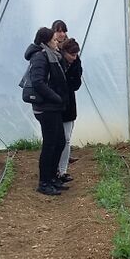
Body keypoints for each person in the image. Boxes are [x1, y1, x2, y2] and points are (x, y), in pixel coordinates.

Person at [24, 27, 70, 196]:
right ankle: (44, 182)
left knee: (59, 142)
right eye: (54, 40)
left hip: (53, 107)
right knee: (50, 144)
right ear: (46, 42)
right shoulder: (39, 57)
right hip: (45, 108)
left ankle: (52, 178)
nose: (56, 42)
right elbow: (38, 82)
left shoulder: (51, 55)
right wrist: (56, 97)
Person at [57, 38, 82, 182]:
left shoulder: (75, 64)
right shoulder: (56, 62)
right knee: (61, 139)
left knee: (66, 139)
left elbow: (76, 84)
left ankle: (63, 170)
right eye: (72, 55)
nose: (74, 57)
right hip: (58, 105)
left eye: (76, 54)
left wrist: (75, 64)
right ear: (64, 52)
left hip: (69, 105)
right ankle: (58, 169)